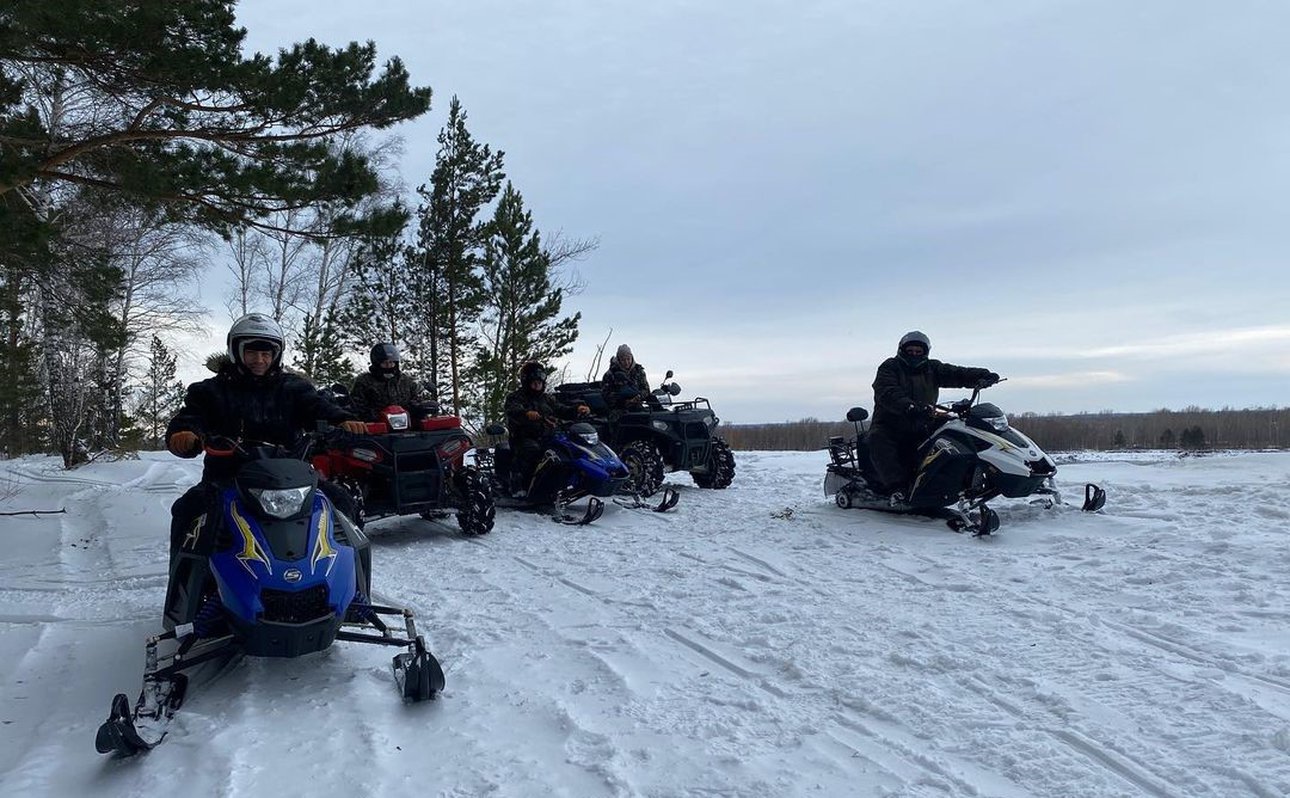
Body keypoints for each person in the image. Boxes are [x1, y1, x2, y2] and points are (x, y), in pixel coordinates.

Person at [163, 313, 368, 622]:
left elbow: (318, 408)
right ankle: (185, 599)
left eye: (266, 352)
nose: (259, 359)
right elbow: (190, 417)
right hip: (228, 476)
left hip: (291, 475)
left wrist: (342, 420)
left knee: (340, 502)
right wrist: (184, 435)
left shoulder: (292, 388)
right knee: (188, 510)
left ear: (276, 354)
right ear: (236, 351)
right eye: (252, 351)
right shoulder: (209, 391)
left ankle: (353, 593)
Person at [869, 331, 999, 502]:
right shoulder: (890, 367)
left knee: (956, 431)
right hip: (892, 421)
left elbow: (956, 373)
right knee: (879, 439)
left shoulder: (932, 368)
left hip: (924, 419)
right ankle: (897, 488)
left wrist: (982, 376)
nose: (914, 354)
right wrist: (909, 407)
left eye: (918, 351)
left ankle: (963, 480)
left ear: (925, 352)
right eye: (910, 351)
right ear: (902, 350)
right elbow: (887, 391)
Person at [503, 361, 589, 496]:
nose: (537, 385)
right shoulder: (516, 397)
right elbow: (513, 411)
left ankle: (564, 483)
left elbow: (561, 409)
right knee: (532, 451)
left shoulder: (547, 399)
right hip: (524, 437)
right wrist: (526, 414)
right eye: (534, 382)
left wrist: (577, 409)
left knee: (566, 450)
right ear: (526, 382)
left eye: (539, 382)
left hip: (547, 436)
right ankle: (520, 486)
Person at [349, 343, 432, 421]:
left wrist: (420, 408)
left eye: (391, 363)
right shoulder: (364, 382)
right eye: (385, 363)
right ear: (377, 364)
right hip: (377, 428)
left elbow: (416, 401)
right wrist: (378, 415)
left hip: (407, 427)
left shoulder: (406, 381)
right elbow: (356, 407)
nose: (389, 366)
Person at [600, 344, 650, 420]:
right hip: (617, 409)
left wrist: (639, 397)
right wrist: (623, 401)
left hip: (637, 406)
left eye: (628, 359)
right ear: (619, 360)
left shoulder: (639, 371)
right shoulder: (610, 374)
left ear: (632, 358)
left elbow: (646, 389)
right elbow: (605, 394)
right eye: (623, 360)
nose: (626, 362)